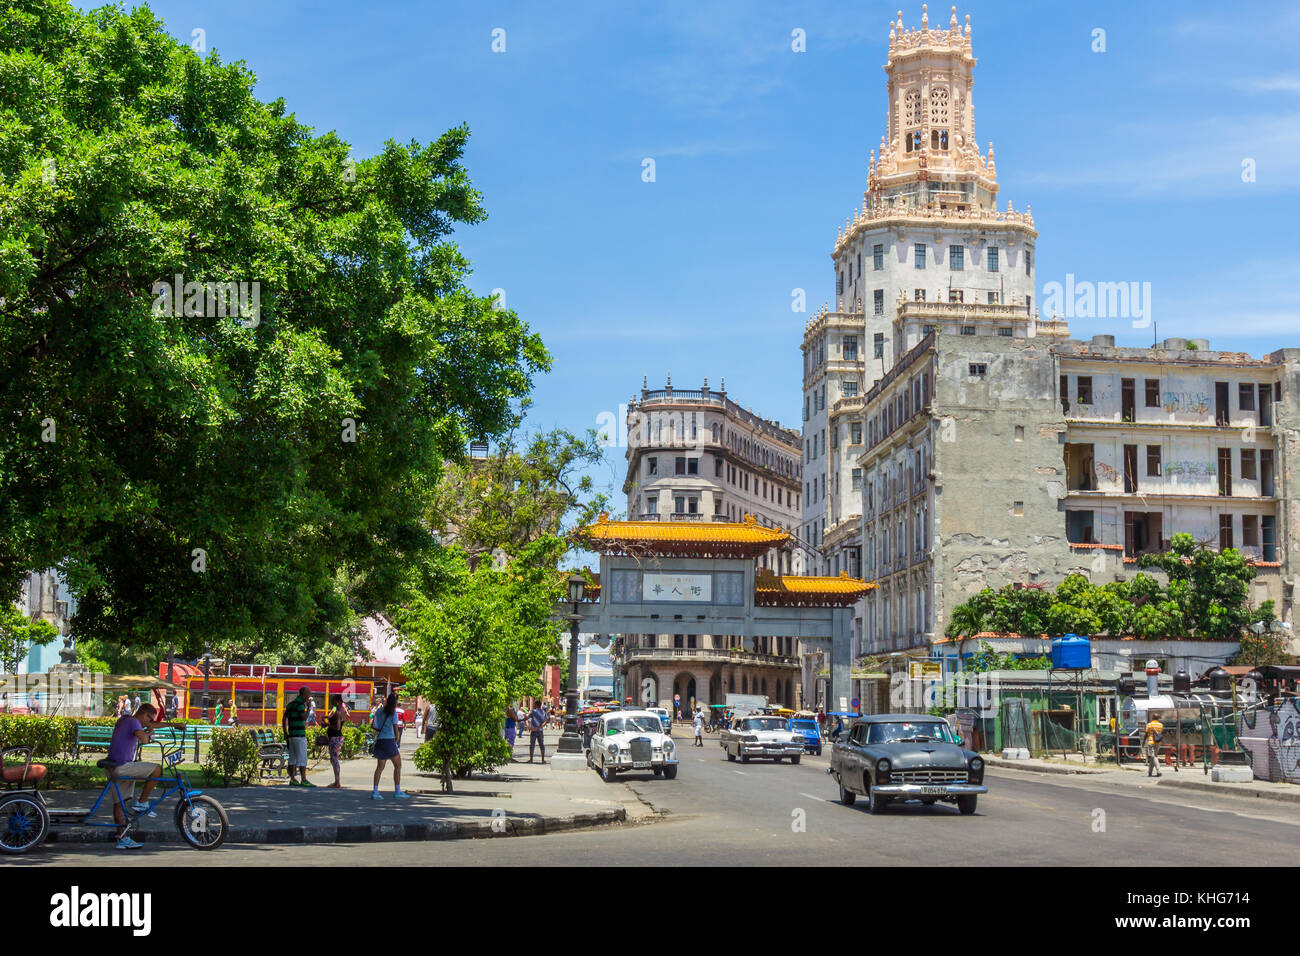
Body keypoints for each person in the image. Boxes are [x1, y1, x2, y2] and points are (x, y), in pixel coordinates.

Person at [104, 702, 184, 849]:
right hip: (123, 766)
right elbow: (144, 739)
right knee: (157, 770)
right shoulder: (134, 722)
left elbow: (154, 725)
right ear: (144, 714)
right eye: (150, 719)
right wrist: (149, 734)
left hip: (114, 765)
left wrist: (174, 724)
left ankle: (122, 838)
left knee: (120, 803)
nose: (150, 722)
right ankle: (142, 802)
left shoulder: (126, 719)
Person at [371, 691, 409, 800]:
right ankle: (397, 791)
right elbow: (396, 728)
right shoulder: (393, 713)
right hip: (389, 741)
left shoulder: (379, 711)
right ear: (395, 702)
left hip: (380, 740)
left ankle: (375, 791)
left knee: (379, 767)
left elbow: (375, 726)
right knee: (398, 766)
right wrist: (396, 740)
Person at [282, 686, 313, 786]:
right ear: (303, 694)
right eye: (308, 693)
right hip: (299, 735)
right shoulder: (300, 704)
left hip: (291, 735)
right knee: (302, 758)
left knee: (292, 758)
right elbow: (304, 718)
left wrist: (285, 732)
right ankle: (303, 779)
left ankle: (292, 779)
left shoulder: (290, 704)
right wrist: (309, 708)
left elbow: (284, 718)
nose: (309, 695)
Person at [325, 693, 348, 788]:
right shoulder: (341, 711)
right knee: (334, 759)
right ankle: (336, 781)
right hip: (337, 738)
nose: (332, 702)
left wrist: (327, 725)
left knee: (334, 760)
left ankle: (337, 782)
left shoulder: (338, 713)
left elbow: (337, 727)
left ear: (338, 702)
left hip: (335, 738)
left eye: (333, 700)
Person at [1143, 710, 1165, 777]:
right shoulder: (1161, 725)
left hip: (1151, 742)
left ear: (1152, 717)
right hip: (1158, 742)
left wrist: (1143, 742)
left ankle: (1158, 771)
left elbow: (1146, 734)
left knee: (1154, 756)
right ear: (1158, 718)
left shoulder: (1149, 725)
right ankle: (1150, 772)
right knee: (1153, 757)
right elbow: (1160, 733)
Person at [527, 699, 548, 763]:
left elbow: (528, 717)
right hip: (540, 730)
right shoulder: (544, 712)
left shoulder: (533, 711)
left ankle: (531, 759)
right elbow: (545, 721)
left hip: (534, 730)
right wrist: (539, 727)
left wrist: (521, 719)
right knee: (541, 745)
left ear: (536, 705)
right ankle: (543, 759)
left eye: (534, 704)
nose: (533, 705)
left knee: (532, 745)